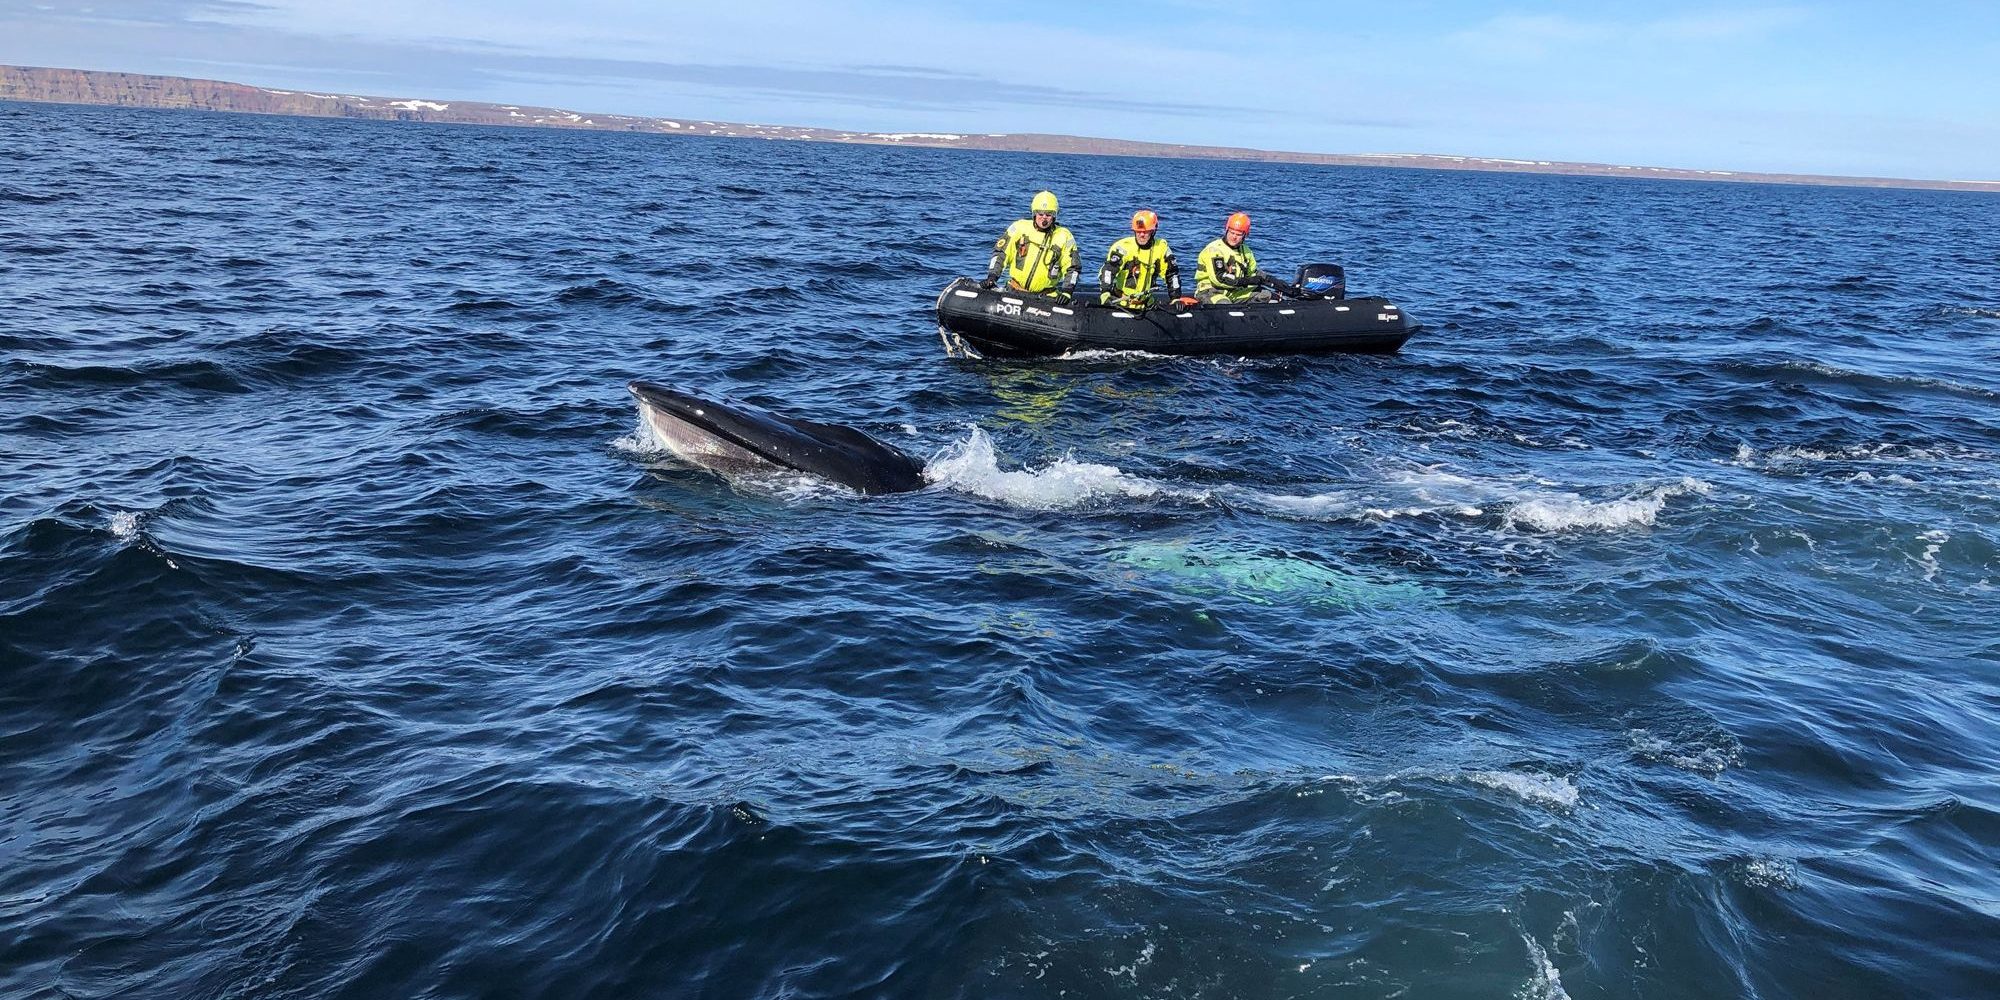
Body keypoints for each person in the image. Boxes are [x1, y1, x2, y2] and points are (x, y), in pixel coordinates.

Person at [981, 190, 1079, 302]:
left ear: (1054, 216)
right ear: (1034, 213)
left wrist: (1067, 292)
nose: (1044, 218)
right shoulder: (1019, 228)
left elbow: (1073, 267)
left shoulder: (1064, 236)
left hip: (1046, 297)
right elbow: (1001, 253)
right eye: (1040, 214)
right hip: (1015, 290)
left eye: (1048, 214)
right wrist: (992, 277)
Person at [1098, 210, 1195, 310]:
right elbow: (1108, 271)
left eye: (1145, 232)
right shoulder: (1123, 248)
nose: (1141, 235)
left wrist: (1175, 298)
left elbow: (1172, 274)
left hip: (1146, 304)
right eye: (1138, 232)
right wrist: (1105, 293)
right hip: (1121, 303)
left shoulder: (1161, 248)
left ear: (1153, 231)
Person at [1195, 211, 1280, 305]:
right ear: (1226, 230)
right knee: (1224, 304)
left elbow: (1254, 273)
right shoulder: (1214, 249)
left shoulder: (1246, 251)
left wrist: (1279, 284)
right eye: (1232, 233)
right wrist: (1247, 281)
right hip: (1211, 291)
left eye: (1238, 234)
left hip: (1234, 292)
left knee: (1267, 295)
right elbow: (1219, 279)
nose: (1234, 237)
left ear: (1245, 235)